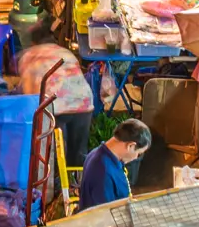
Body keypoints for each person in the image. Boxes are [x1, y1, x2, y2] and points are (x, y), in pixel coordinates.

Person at [17, 21, 94, 168]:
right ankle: (79, 186)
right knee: (78, 153)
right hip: (83, 103)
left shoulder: (28, 57)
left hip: (55, 107)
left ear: (33, 42)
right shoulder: (65, 52)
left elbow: (30, 96)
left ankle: (58, 187)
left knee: (55, 155)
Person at [77, 119, 151, 211]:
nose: (136, 157)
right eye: (139, 153)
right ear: (131, 146)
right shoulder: (103, 171)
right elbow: (104, 215)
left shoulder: (98, 153)